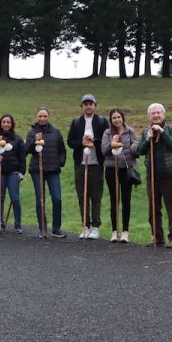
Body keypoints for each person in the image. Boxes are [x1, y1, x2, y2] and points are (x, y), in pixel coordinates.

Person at [137, 103, 172, 249]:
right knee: (153, 208)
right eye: (153, 113)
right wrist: (148, 139)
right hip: (152, 175)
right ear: (149, 116)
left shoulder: (171, 129)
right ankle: (158, 237)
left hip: (169, 174)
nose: (156, 115)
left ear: (163, 115)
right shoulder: (145, 131)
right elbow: (140, 151)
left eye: (158, 113)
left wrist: (162, 131)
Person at [67, 94, 109, 239]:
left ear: (95, 106)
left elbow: (106, 140)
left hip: (96, 164)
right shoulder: (76, 122)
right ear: (82, 106)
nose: (88, 106)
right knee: (82, 196)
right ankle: (85, 225)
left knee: (96, 196)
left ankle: (95, 226)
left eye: (91, 103)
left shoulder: (102, 121)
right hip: (80, 164)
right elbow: (70, 142)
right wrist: (81, 142)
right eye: (85, 104)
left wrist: (94, 141)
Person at [25, 108, 67, 238]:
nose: (42, 118)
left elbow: (62, 150)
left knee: (57, 198)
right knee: (41, 198)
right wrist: (34, 141)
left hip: (53, 169)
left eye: (44, 116)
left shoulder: (56, 132)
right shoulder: (32, 132)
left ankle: (56, 229)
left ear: (48, 117)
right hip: (38, 169)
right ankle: (42, 228)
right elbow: (27, 150)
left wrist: (60, 162)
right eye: (40, 116)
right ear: (37, 117)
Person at [101, 108, 138, 243]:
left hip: (126, 169)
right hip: (111, 169)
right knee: (114, 199)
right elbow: (103, 150)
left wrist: (133, 147)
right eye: (114, 118)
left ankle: (125, 232)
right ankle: (114, 231)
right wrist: (112, 144)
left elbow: (136, 145)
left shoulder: (130, 130)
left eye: (119, 117)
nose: (117, 120)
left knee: (126, 199)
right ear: (111, 120)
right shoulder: (107, 132)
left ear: (122, 118)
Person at [0, 114, 26, 233]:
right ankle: (1, 222)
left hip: (13, 172)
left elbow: (22, 157)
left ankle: (18, 224)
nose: (6, 124)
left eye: (8, 122)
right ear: (0, 123)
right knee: (0, 197)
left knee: (15, 198)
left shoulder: (18, 139)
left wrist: (21, 172)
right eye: (4, 122)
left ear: (12, 124)